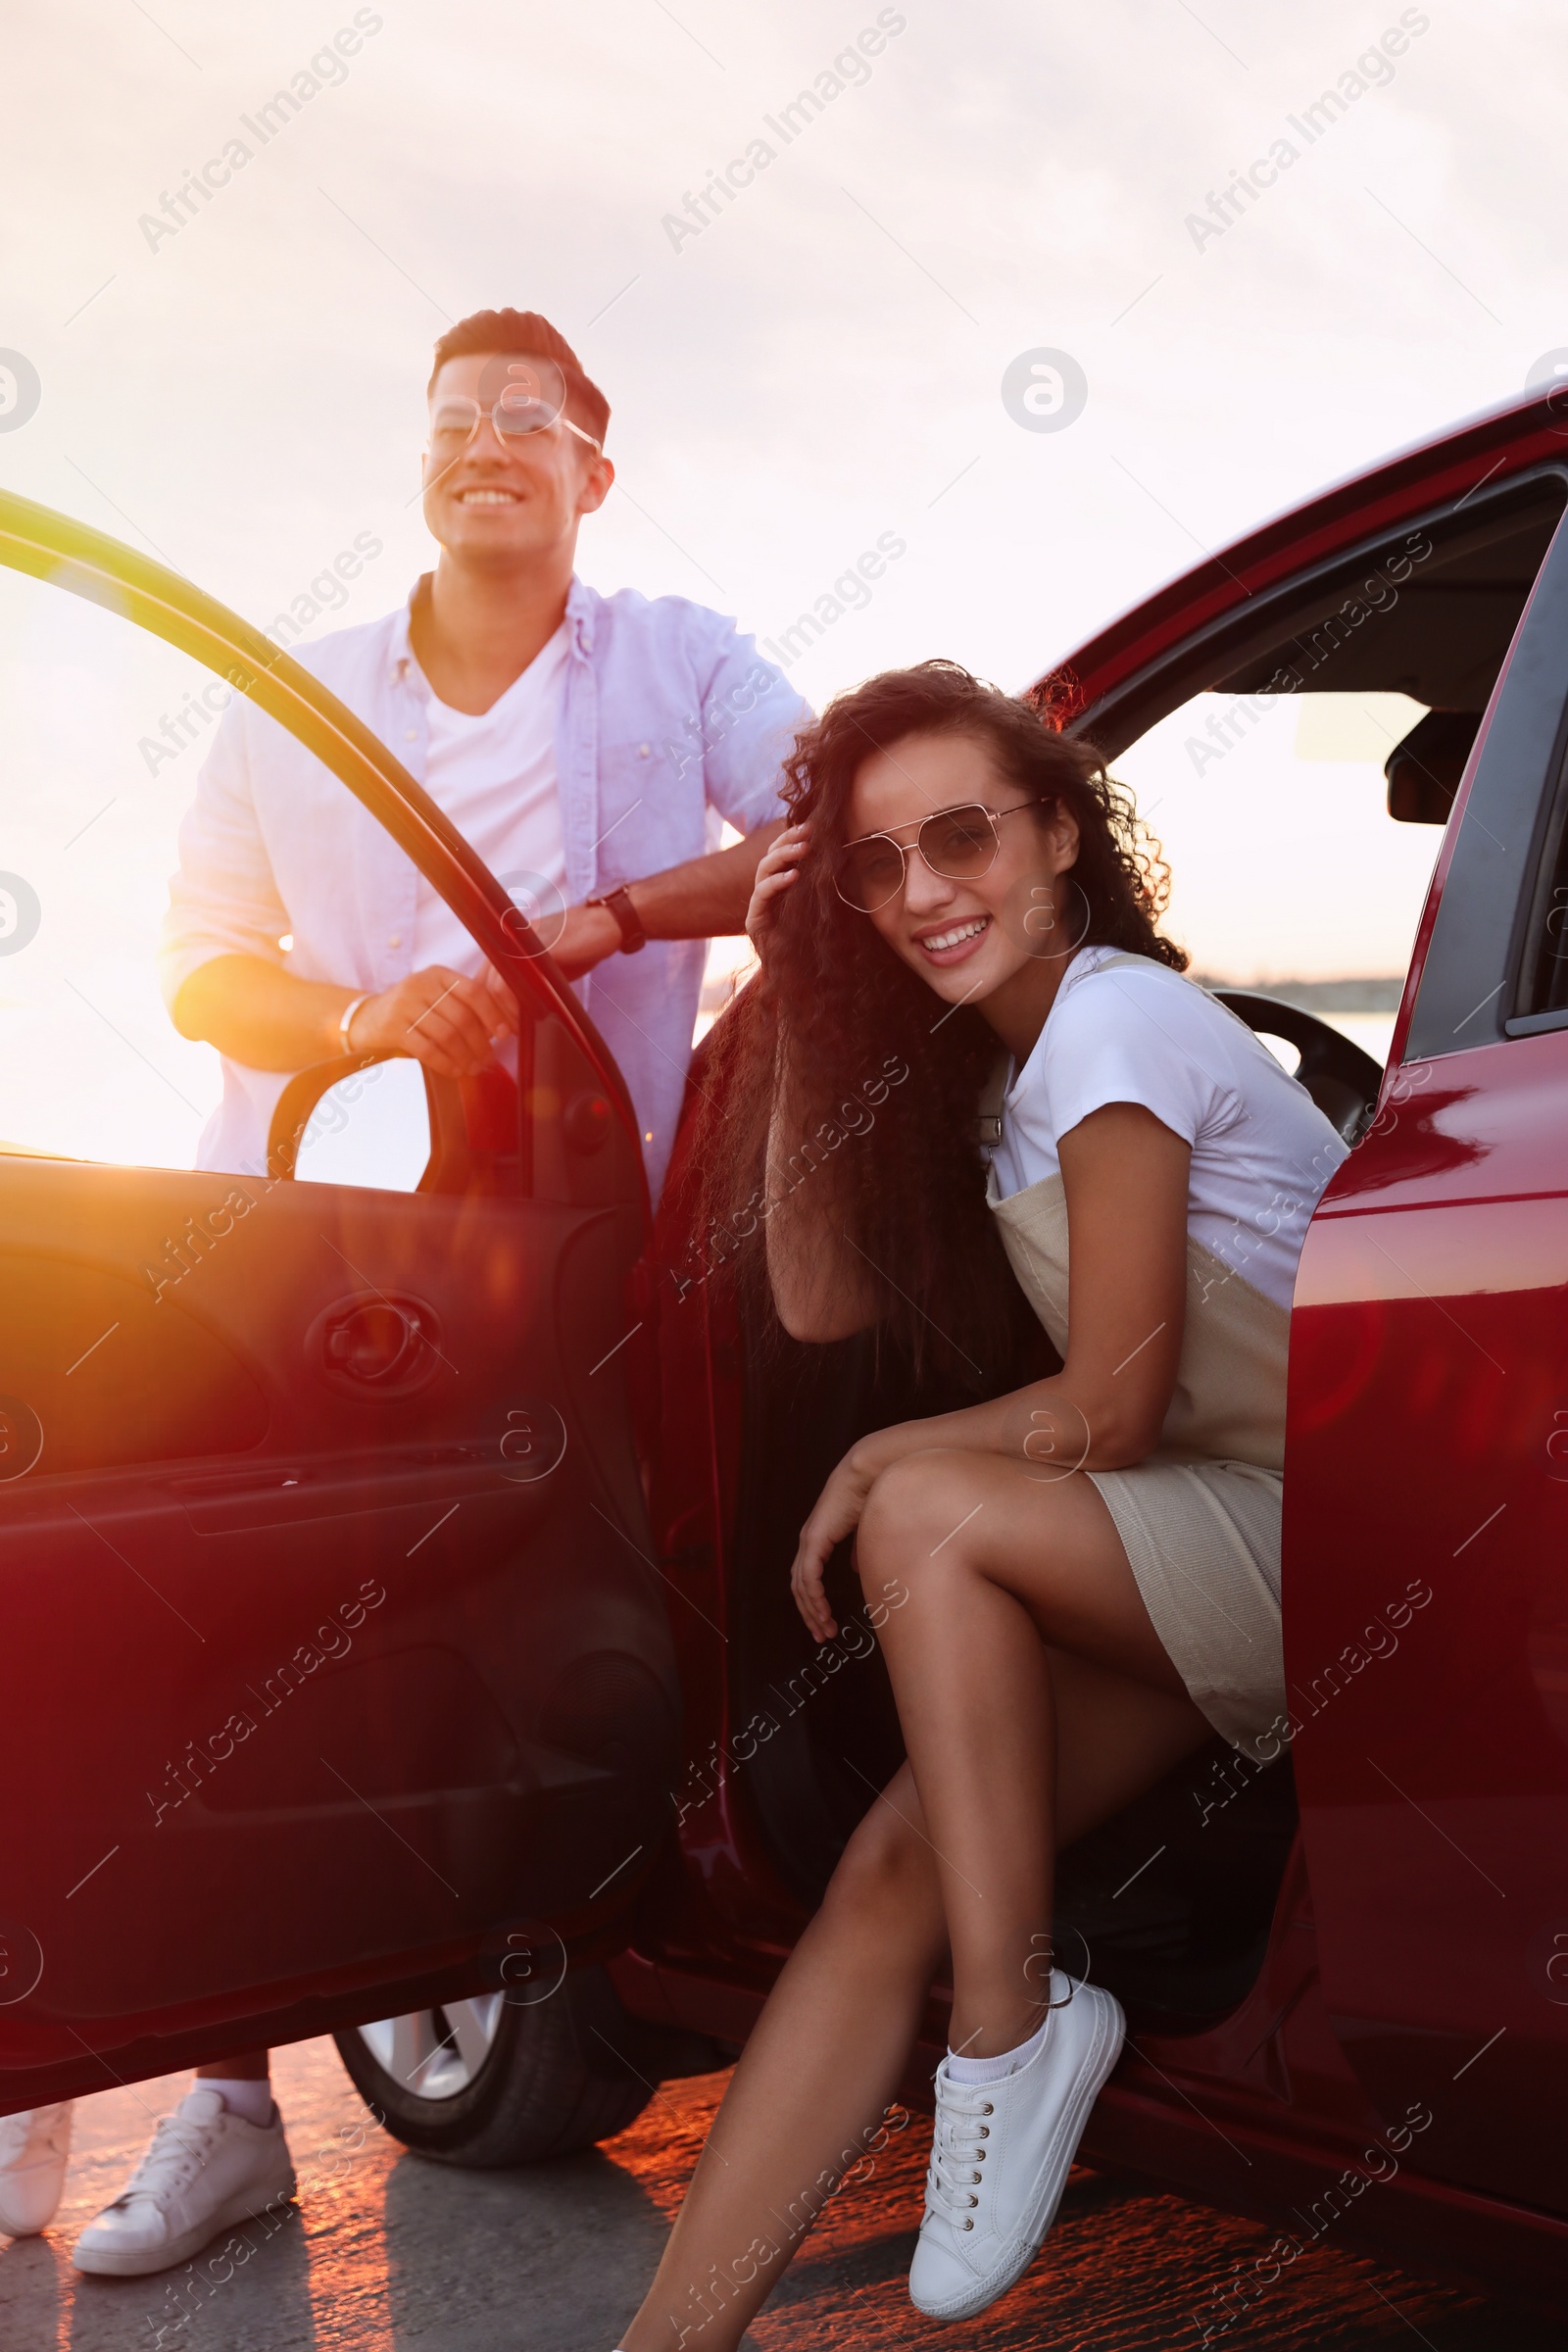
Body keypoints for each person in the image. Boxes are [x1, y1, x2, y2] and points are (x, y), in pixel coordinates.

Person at [0, 306, 805, 2280]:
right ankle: (197, 2103)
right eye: (454, 419)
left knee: (470, 1640)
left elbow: (824, 819)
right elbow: (204, 967)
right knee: (210, 1631)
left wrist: (605, 919)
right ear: (419, 460)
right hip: (308, 1245)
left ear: (591, 473)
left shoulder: (676, 660)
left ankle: (518, 1942)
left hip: (574, 1251)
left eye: (529, 419)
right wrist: (369, 1015)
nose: (486, 445)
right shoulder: (297, 693)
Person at [613, 660, 1348, 2345]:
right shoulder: (1005, 1079)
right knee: (889, 1869)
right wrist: (795, 982)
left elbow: (1112, 1405)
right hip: (1223, 1535)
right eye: (878, 864)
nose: (926, 889)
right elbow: (811, 1306)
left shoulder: (1112, 1023)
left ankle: (1012, 2031)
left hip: (1342, 1540)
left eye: (965, 837)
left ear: (1063, 835)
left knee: (926, 1515)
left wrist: (886, 1466)